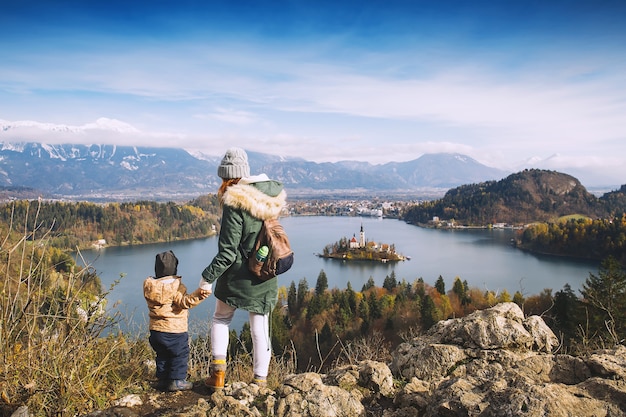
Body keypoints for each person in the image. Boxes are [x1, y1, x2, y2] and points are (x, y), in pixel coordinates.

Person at [199, 147, 286, 390]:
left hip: (237, 275)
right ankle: (260, 381)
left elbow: (227, 253)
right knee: (260, 327)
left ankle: (218, 376)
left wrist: (206, 278)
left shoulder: (234, 202)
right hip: (265, 274)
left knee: (221, 318)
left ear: (228, 176)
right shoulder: (270, 197)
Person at [143, 250, 209, 391]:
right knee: (179, 354)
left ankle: (163, 380)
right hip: (174, 330)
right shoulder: (176, 286)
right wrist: (200, 295)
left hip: (156, 330)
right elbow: (185, 302)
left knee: (162, 354)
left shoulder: (150, 287)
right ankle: (177, 380)